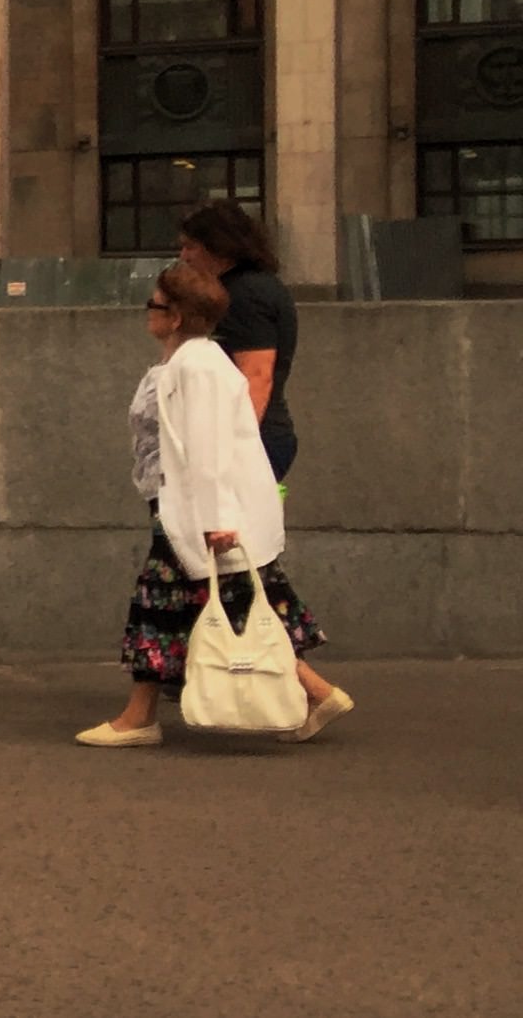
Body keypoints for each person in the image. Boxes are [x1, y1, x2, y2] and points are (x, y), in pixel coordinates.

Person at [80, 262, 350, 746]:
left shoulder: (197, 367)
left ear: (177, 316)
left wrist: (217, 520)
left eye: (155, 305)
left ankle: (139, 717)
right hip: (186, 505)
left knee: (159, 606)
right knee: (227, 600)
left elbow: (208, 451)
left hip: (195, 510)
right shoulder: (190, 363)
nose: (148, 313)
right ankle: (314, 690)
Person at [178, 199, 300, 482]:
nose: (184, 256)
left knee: (232, 525)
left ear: (219, 246)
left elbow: (256, 375)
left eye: (191, 246)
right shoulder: (250, 287)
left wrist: (234, 449)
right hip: (258, 435)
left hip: (254, 439)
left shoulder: (244, 295)